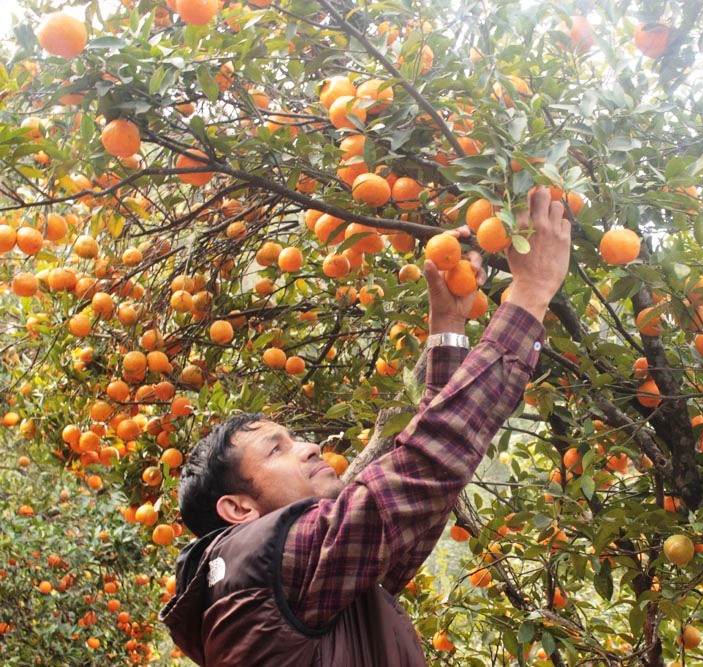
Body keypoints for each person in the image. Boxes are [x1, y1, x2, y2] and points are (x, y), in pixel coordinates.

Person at [159, 187, 572, 666]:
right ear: (237, 508)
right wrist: (530, 293)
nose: (310, 448)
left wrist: (449, 328)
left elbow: (416, 503)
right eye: (276, 450)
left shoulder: (302, 587)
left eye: (295, 440)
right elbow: (425, 467)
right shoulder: (264, 568)